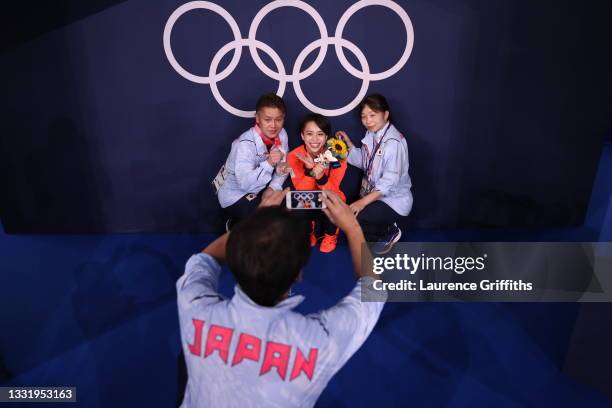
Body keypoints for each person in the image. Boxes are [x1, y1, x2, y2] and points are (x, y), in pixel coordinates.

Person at [176, 188, 386, 408]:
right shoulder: (320, 342)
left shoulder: (195, 309)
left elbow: (203, 260)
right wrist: (352, 227)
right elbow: (374, 291)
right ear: (299, 274)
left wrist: (253, 222)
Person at [336, 93, 413, 254]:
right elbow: (364, 163)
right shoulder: (372, 134)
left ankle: (388, 231)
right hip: (375, 196)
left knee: (354, 219)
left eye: (372, 115)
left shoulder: (393, 143)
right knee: (352, 223)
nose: (368, 121)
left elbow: (388, 184)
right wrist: (348, 145)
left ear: (385, 114)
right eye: (364, 116)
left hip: (393, 200)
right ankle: (382, 228)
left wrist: (362, 203)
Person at [217, 93, 290, 226]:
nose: (273, 125)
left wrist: (273, 187)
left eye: (278, 119)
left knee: (288, 209)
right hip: (235, 194)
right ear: (257, 118)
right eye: (267, 119)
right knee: (267, 220)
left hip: (261, 188)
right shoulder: (244, 145)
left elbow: (283, 167)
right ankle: (234, 225)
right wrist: (269, 164)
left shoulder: (282, 134)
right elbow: (245, 184)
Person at [287, 113, 347, 253]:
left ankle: (331, 235)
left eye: (320, 134)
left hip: (329, 197)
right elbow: (301, 192)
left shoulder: (338, 155)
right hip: (308, 199)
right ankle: (308, 231)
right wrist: (310, 171)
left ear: (326, 137)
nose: (314, 139)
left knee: (336, 201)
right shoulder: (293, 156)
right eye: (309, 134)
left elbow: (334, 192)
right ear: (302, 136)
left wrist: (321, 178)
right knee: (293, 202)